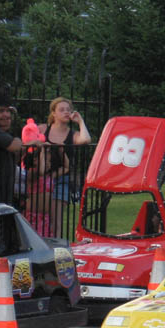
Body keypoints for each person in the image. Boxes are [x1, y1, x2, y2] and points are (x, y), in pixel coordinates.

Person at [39, 97, 91, 237]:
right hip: (41, 180)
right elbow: (28, 143)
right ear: (53, 113)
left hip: (62, 179)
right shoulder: (43, 129)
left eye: (68, 109)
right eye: (61, 110)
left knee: (56, 221)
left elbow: (86, 139)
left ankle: (55, 250)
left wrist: (80, 121)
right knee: (38, 218)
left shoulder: (72, 134)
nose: (66, 112)